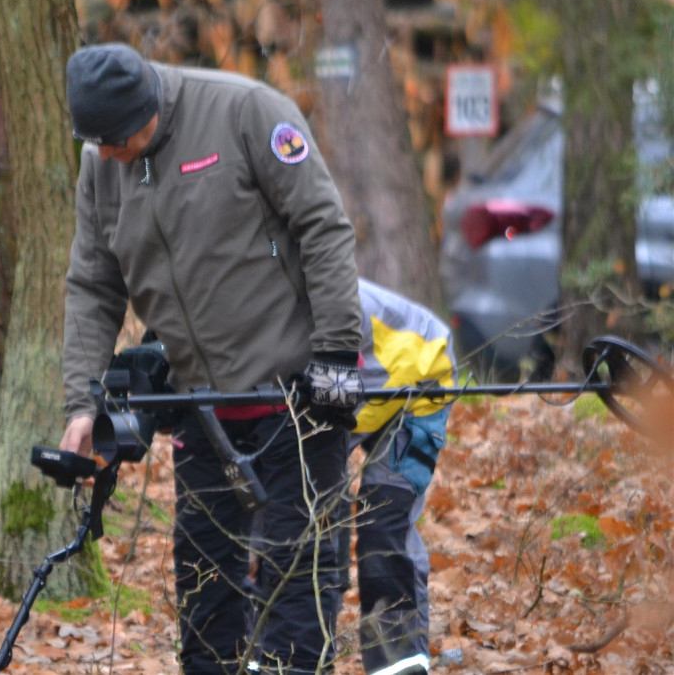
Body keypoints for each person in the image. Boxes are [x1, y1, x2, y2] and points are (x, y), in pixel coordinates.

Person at [59, 43, 363, 674]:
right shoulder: (101, 163)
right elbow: (93, 286)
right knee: (205, 603)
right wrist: (83, 405)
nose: (108, 154)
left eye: (117, 139)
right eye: (95, 143)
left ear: (149, 106)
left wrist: (336, 355)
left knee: (297, 591)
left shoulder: (247, 113)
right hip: (198, 409)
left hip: (295, 402)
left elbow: (322, 226)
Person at [339, 278, 456, 675]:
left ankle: (400, 663)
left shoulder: (325, 302)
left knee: (383, 522)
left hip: (419, 387)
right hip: (356, 397)